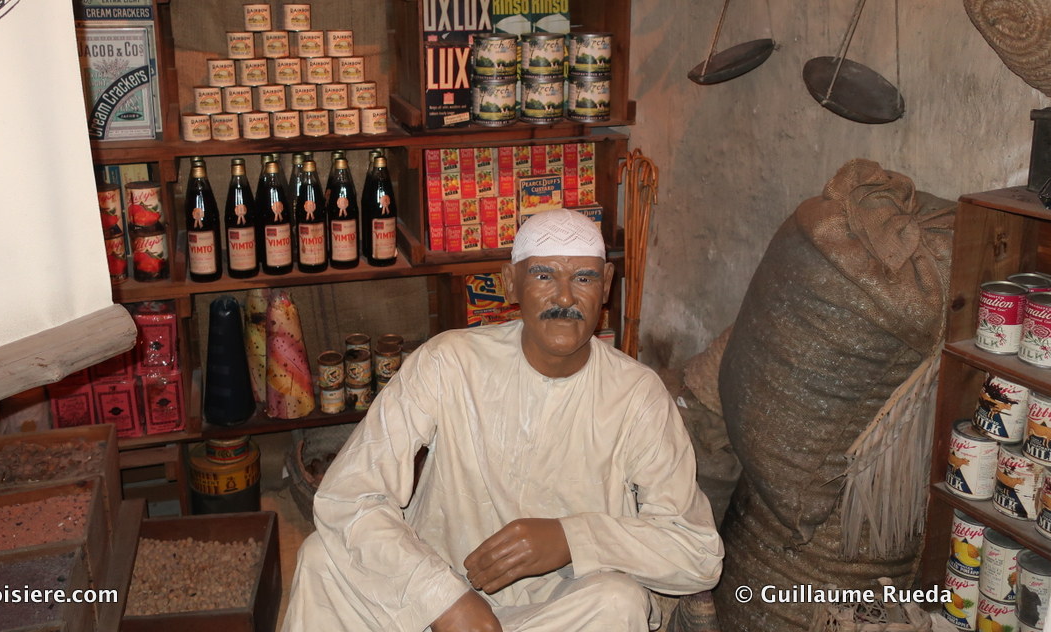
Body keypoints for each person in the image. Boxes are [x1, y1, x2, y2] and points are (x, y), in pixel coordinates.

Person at [281, 208, 723, 632]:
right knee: (322, 558)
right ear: (511, 283)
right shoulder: (448, 362)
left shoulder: (637, 396)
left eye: (583, 277)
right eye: (544, 275)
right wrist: (440, 596)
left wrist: (573, 539)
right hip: (430, 599)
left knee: (618, 601)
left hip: (556, 612)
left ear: (606, 285)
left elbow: (698, 553)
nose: (565, 297)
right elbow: (347, 496)